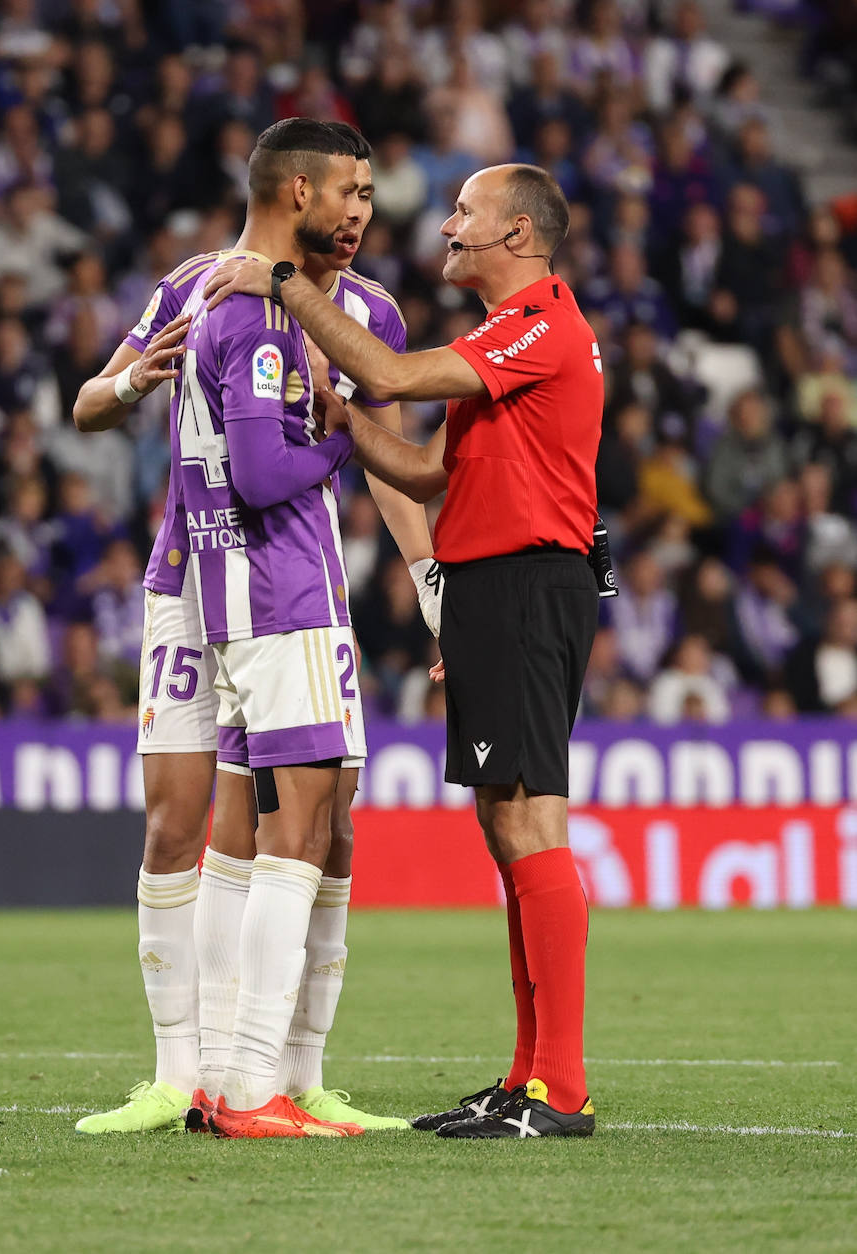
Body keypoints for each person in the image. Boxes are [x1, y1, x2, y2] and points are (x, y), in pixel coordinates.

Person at [206, 161, 603, 1139]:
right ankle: (526, 1076)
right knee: (504, 828)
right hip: (486, 589)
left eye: (463, 213)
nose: (446, 228)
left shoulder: (541, 323)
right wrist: (346, 425)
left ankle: (558, 1086)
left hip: (520, 585)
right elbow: (427, 473)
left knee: (528, 828)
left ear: (516, 235)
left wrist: (286, 286)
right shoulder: (497, 345)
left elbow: (388, 372)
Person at [70, 121, 430, 1135]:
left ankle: (288, 1069)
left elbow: (385, 463)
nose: (362, 211)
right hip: (195, 579)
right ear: (297, 189)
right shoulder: (191, 286)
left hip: (285, 576)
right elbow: (88, 399)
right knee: (178, 818)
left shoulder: (369, 313)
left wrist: (432, 590)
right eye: (349, 191)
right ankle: (181, 1074)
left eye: (368, 195)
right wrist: (131, 383)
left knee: (327, 818)